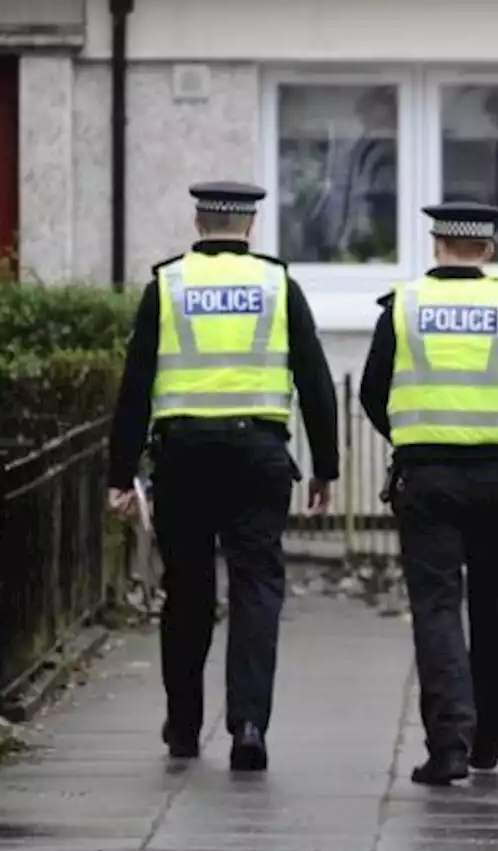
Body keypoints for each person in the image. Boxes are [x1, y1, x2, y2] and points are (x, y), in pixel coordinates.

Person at [106, 181, 339, 772]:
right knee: (257, 585)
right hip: (258, 455)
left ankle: (184, 725)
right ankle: (250, 724)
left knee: (186, 589)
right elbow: (314, 380)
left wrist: (120, 472)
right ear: (250, 227)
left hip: (183, 457)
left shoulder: (169, 284)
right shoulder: (277, 285)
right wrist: (326, 468)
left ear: (198, 220)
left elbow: (135, 387)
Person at [359, 201, 498, 786]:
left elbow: (373, 393)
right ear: (488, 249)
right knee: (495, 607)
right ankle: (488, 735)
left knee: (436, 608)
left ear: (436, 245)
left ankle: (448, 745)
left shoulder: (403, 306)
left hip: (426, 480)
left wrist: (416, 433)